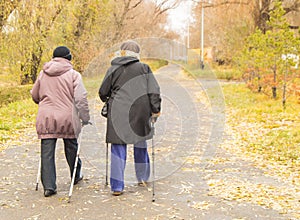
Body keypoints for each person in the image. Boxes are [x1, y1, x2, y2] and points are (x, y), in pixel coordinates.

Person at [99, 40, 161, 196]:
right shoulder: (144, 68)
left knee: (118, 147)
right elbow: (154, 90)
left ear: (122, 52)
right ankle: (142, 177)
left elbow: (102, 92)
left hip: (118, 112)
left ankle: (117, 186)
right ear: (137, 54)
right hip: (140, 111)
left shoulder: (113, 69)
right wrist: (156, 110)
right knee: (140, 143)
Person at [31, 46, 90, 197]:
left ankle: (49, 186)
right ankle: (75, 176)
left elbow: (35, 94)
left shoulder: (43, 74)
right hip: (68, 116)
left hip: (46, 117)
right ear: (68, 58)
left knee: (47, 151)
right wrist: (85, 117)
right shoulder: (73, 75)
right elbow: (81, 98)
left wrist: (43, 101)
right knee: (71, 146)